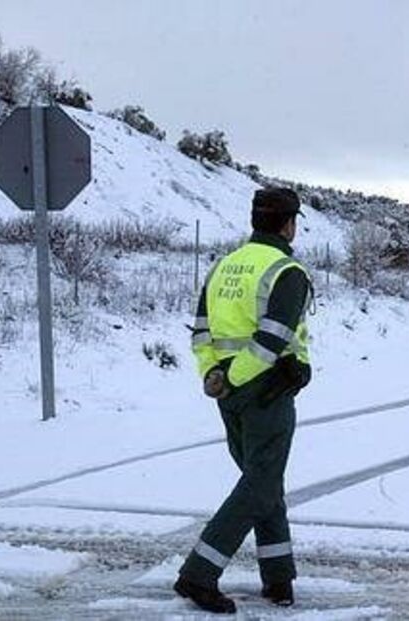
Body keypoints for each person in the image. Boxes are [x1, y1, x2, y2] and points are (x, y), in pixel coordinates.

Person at [174, 187, 313, 614]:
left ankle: (278, 578)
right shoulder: (286, 270)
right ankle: (198, 575)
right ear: (289, 224)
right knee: (259, 485)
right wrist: (237, 378)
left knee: (263, 483)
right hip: (264, 392)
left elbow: (201, 332)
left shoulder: (223, 267)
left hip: (228, 393)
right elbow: (271, 340)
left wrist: (214, 376)